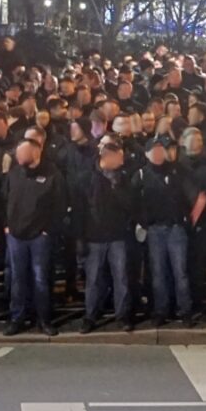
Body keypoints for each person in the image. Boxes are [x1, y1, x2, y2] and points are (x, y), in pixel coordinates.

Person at [132, 136, 206, 327]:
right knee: (158, 273)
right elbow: (132, 203)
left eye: (161, 149)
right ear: (147, 154)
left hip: (175, 229)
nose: (158, 153)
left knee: (180, 272)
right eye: (154, 150)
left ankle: (185, 311)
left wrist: (188, 222)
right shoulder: (140, 174)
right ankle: (161, 311)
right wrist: (144, 223)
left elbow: (199, 197)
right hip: (155, 230)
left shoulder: (178, 171)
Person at [2, 138, 67, 336]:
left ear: (36, 152)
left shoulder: (52, 175)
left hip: (40, 236)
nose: (18, 157)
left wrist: (48, 229)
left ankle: (44, 320)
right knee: (17, 279)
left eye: (22, 153)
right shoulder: (14, 174)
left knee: (40, 279)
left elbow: (60, 206)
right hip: (16, 236)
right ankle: (17, 318)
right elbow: (3, 199)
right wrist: (6, 225)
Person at [81, 141, 135, 333]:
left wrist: (117, 188)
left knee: (121, 277)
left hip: (117, 235)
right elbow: (81, 208)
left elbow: (131, 204)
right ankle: (91, 315)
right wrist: (81, 236)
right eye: (119, 157)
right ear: (108, 156)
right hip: (94, 236)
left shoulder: (123, 178)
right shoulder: (88, 177)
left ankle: (123, 315)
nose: (122, 161)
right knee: (93, 279)